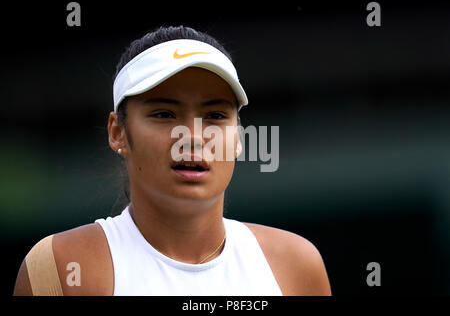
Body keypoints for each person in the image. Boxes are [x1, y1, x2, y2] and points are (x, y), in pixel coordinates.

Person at [13, 25, 331, 296]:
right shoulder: (60, 266)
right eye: (164, 114)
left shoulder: (297, 267)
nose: (192, 136)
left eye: (215, 115)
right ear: (117, 133)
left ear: (238, 138)